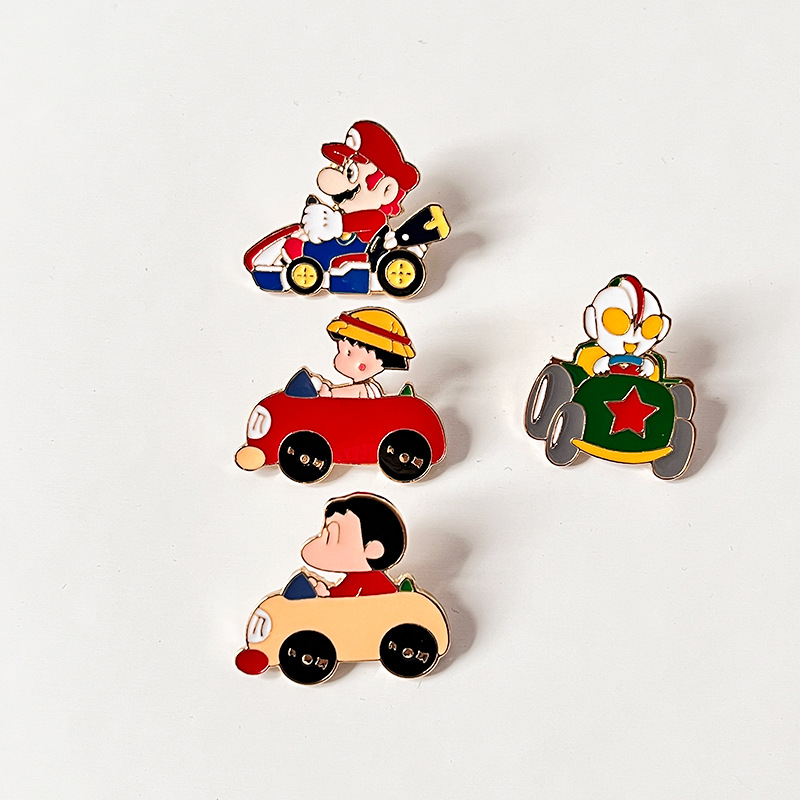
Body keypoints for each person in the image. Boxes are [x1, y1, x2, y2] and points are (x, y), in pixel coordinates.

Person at [278, 121, 420, 268]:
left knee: (308, 250)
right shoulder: (347, 213)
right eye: (342, 168)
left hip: (359, 253)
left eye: (350, 173)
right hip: (340, 247)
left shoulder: (375, 218)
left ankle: (304, 259)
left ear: (386, 190)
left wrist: (328, 222)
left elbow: (342, 225)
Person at [301, 493, 406, 598]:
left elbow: (342, 596)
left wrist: (325, 593)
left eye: (330, 538)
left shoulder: (366, 579)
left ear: (373, 550)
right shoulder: (360, 577)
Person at [311, 308, 415, 398]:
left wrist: (328, 392)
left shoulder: (361, 389)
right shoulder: (372, 387)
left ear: (362, 366)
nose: (337, 358)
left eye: (348, 353)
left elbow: (336, 394)